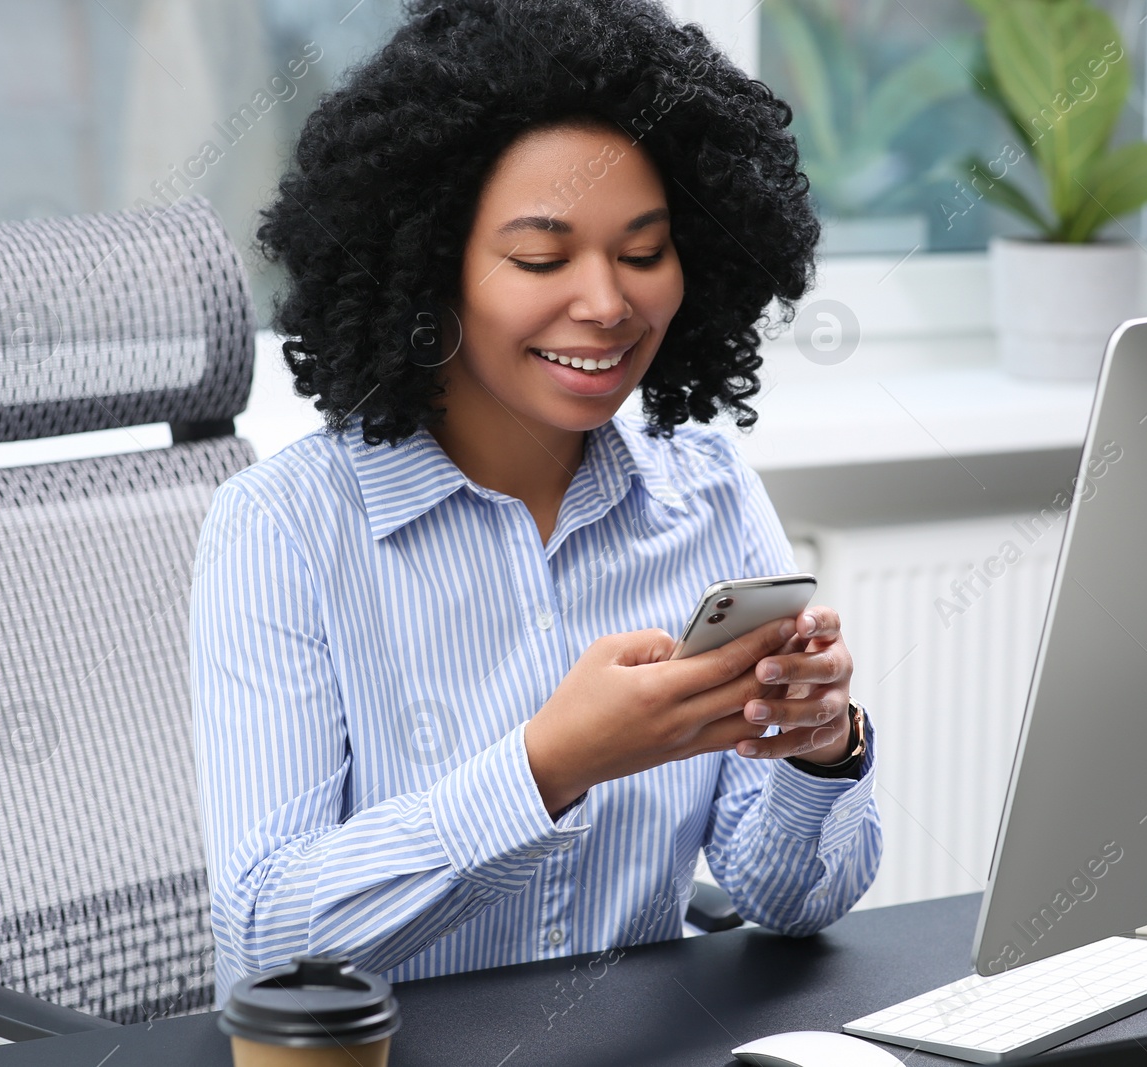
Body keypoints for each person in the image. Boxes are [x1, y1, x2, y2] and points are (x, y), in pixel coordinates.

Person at [189, 0, 881, 1005]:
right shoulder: (285, 530)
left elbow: (782, 895)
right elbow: (267, 935)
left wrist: (818, 749)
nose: (605, 303)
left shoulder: (708, 490)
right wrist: (548, 765)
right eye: (541, 258)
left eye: (642, 252)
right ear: (430, 268)